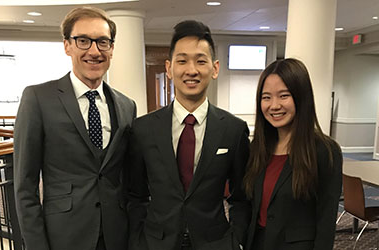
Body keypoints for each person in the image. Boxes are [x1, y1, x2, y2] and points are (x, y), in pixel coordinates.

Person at [13, 7, 136, 250]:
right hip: (63, 236)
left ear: (111, 48)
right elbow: (25, 186)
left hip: (116, 235)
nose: (94, 51)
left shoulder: (126, 105)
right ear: (67, 46)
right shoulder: (38, 98)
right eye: (83, 41)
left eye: (102, 42)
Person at [126, 20, 250, 250]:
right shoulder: (143, 129)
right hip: (155, 243)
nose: (191, 70)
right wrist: (137, 240)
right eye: (182, 61)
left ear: (214, 69)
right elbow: (136, 195)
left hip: (215, 243)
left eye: (200, 61)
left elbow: (241, 197)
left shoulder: (233, 130)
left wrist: (237, 239)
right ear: (169, 68)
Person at [243, 58, 342, 250]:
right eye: (266, 97)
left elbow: (326, 222)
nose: (274, 105)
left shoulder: (325, 151)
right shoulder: (258, 148)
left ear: (301, 97)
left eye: (283, 96)